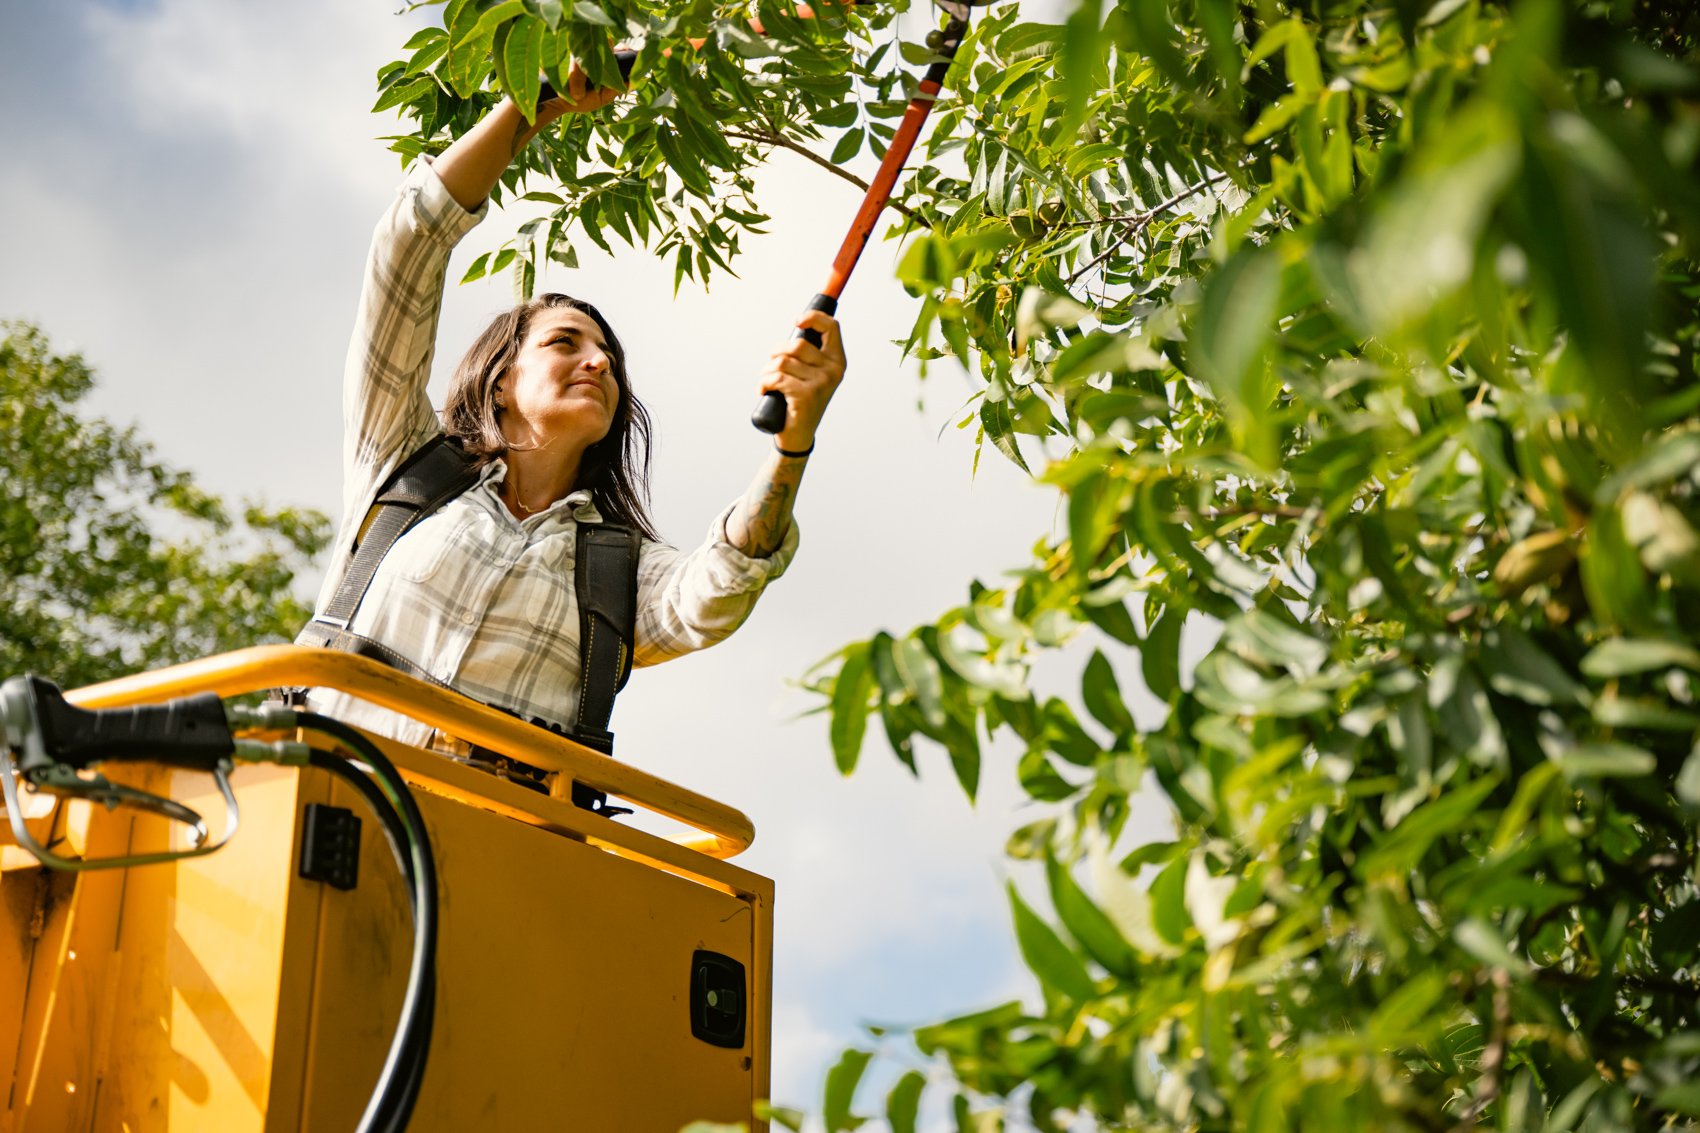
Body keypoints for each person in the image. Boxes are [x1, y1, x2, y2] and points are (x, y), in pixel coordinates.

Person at [306, 66, 845, 761]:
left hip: (491, 857)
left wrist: (791, 444)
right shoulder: (403, 467)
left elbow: (719, 588)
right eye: (567, 342)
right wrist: (527, 109)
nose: (599, 363)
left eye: (609, 360)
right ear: (499, 381)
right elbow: (406, 251)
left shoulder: (617, 572)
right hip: (320, 802)